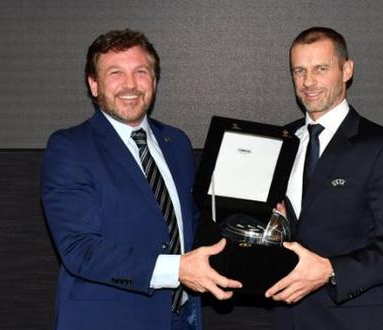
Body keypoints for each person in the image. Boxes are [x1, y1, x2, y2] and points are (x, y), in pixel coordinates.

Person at [41, 29, 241, 330]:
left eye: (141, 72)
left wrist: (255, 221)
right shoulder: (70, 148)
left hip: (183, 318)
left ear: (155, 81)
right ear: (94, 85)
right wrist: (177, 270)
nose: (131, 85)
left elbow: (194, 222)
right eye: (116, 73)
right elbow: (79, 249)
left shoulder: (176, 142)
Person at [264, 27, 383, 329]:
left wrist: (330, 270)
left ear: (346, 70)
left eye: (320, 69)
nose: (308, 82)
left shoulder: (382, 147)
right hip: (289, 318)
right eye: (299, 71)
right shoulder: (278, 141)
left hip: (355, 320)